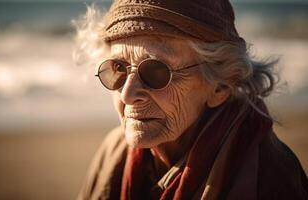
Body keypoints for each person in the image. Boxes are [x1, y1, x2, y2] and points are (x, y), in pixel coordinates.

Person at [77, 0, 308, 199]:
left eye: (156, 71)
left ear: (220, 86)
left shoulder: (270, 176)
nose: (127, 95)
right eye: (117, 68)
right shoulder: (113, 151)